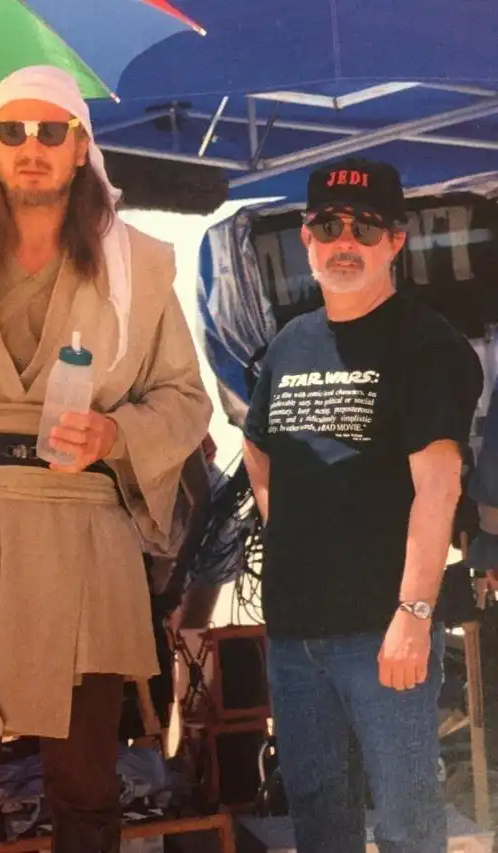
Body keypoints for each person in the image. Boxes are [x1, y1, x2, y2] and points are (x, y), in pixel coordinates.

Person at [0, 65, 211, 853]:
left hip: (78, 532)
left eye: (51, 131)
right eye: (12, 131)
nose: (32, 147)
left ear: (80, 146)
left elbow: (186, 401)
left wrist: (113, 435)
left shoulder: (140, 267)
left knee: (86, 787)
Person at [242, 157, 483, 853]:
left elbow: (439, 489)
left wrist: (414, 614)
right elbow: (257, 447)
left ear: (395, 241)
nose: (344, 242)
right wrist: (289, 533)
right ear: (307, 238)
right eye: (328, 226)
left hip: (382, 631)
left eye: (365, 227)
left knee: (406, 822)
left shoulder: (426, 344)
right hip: (295, 633)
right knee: (318, 817)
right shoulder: (289, 343)